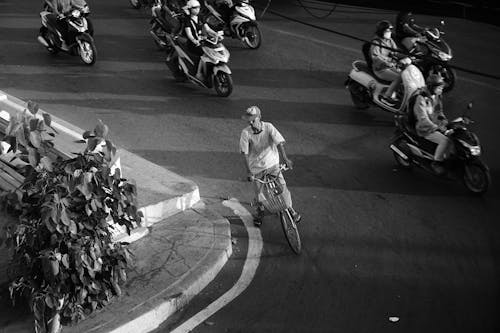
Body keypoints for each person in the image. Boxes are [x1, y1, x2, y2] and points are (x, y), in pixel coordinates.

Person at [239, 106, 301, 227]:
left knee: (283, 187)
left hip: (272, 164)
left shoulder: (268, 127)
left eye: (253, 119)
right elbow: (245, 154)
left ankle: (291, 209)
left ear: (259, 117)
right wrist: (249, 172)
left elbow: (279, 143)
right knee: (259, 195)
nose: (251, 123)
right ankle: (260, 212)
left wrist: (285, 158)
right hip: (256, 168)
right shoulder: (245, 133)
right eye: (249, 120)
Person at [411, 73, 450, 173]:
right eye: (439, 87)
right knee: (445, 141)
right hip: (425, 128)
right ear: (432, 87)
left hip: (436, 124)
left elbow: (439, 111)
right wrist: (436, 127)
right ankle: (437, 162)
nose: (441, 89)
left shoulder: (436, 96)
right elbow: (423, 119)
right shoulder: (421, 99)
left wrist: (444, 121)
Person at [370, 20, 406, 107]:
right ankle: (386, 97)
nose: (390, 32)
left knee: (405, 75)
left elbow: (395, 52)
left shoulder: (390, 41)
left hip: (391, 66)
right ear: (382, 31)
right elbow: (375, 57)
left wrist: (407, 56)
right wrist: (386, 63)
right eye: (388, 30)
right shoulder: (376, 43)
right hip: (381, 69)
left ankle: (398, 95)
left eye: (390, 30)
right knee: (398, 78)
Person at [182, 0, 217, 81]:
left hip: (203, 41)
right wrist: (194, 41)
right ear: (190, 9)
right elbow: (189, 34)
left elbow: (208, 29)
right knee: (204, 54)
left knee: (214, 49)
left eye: (198, 7)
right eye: (195, 8)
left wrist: (216, 34)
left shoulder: (201, 17)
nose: (197, 9)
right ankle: (198, 73)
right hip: (193, 44)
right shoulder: (187, 20)